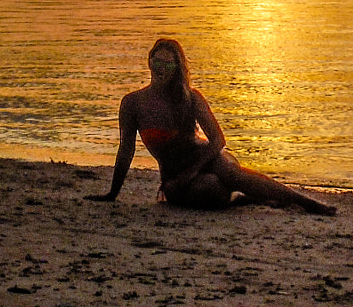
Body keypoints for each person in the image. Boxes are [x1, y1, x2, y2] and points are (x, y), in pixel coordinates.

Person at [87, 38, 335, 215]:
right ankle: (245, 198)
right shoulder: (132, 103)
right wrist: (112, 193)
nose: (161, 69)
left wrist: (192, 171)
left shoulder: (190, 97)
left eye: (168, 64)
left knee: (230, 175)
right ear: (149, 61)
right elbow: (125, 151)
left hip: (207, 159)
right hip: (175, 179)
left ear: (177, 68)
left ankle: (308, 203)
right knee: (212, 190)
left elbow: (218, 141)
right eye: (157, 62)